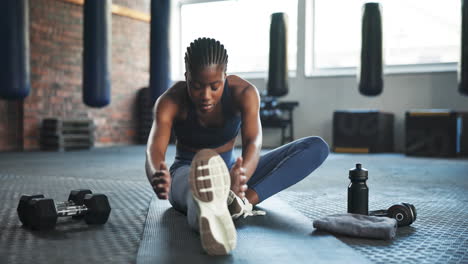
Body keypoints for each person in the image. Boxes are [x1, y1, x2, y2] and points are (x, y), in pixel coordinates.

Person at [145, 37, 329, 256]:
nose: (205, 95)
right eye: (196, 86)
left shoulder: (244, 93)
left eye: (215, 87)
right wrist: (157, 173)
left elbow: (254, 142)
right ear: (187, 78)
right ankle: (211, 211)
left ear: (225, 76)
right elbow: (154, 149)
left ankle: (238, 203)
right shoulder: (170, 101)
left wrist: (241, 175)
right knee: (199, 191)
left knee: (316, 147)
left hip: (231, 170)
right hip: (187, 172)